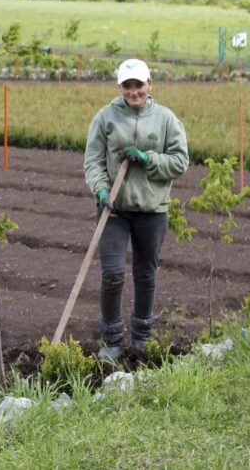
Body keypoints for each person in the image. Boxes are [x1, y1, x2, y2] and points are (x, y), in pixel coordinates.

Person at [83, 58, 188, 364]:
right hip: (113, 209)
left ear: (149, 85)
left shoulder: (166, 119)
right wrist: (101, 189)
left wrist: (147, 157)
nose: (133, 92)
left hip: (152, 210)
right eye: (127, 86)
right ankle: (112, 341)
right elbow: (93, 161)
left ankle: (142, 338)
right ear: (120, 87)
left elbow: (179, 162)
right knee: (113, 274)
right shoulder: (105, 117)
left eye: (138, 85)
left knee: (145, 273)